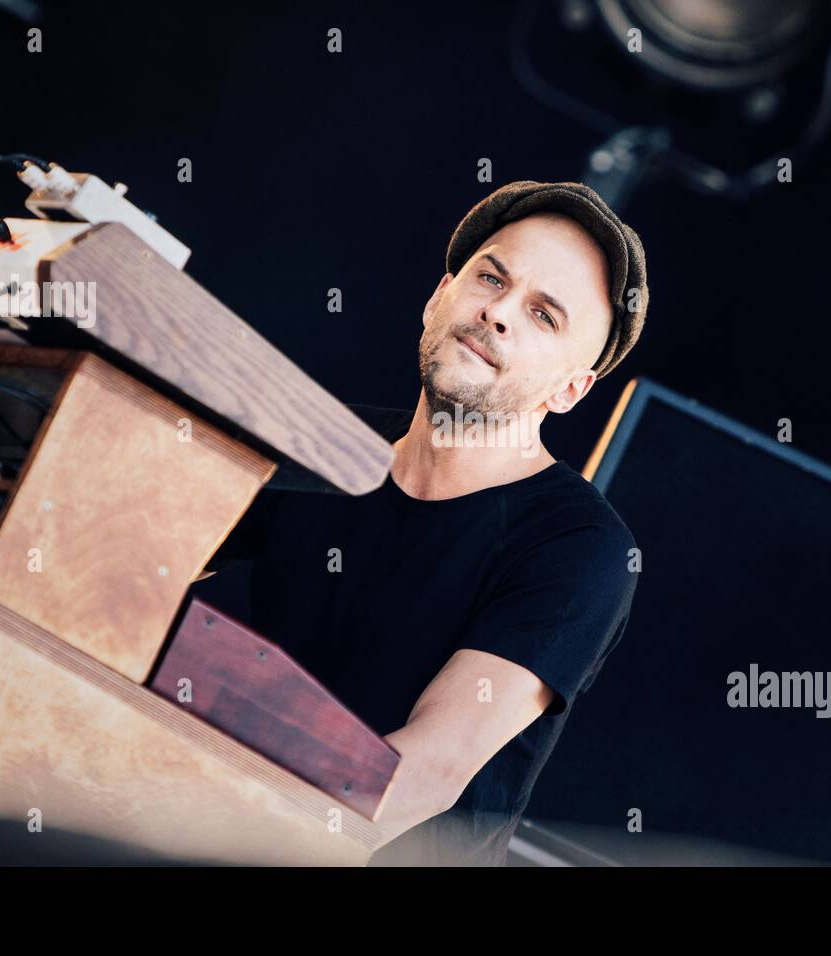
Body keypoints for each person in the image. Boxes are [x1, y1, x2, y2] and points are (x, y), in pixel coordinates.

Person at [204, 180, 649, 865]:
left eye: (544, 316)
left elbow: (420, 776)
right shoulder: (327, 441)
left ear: (571, 389)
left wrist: (175, 817)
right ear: (438, 297)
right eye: (490, 278)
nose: (498, 312)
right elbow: (145, 550)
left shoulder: (579, 549)